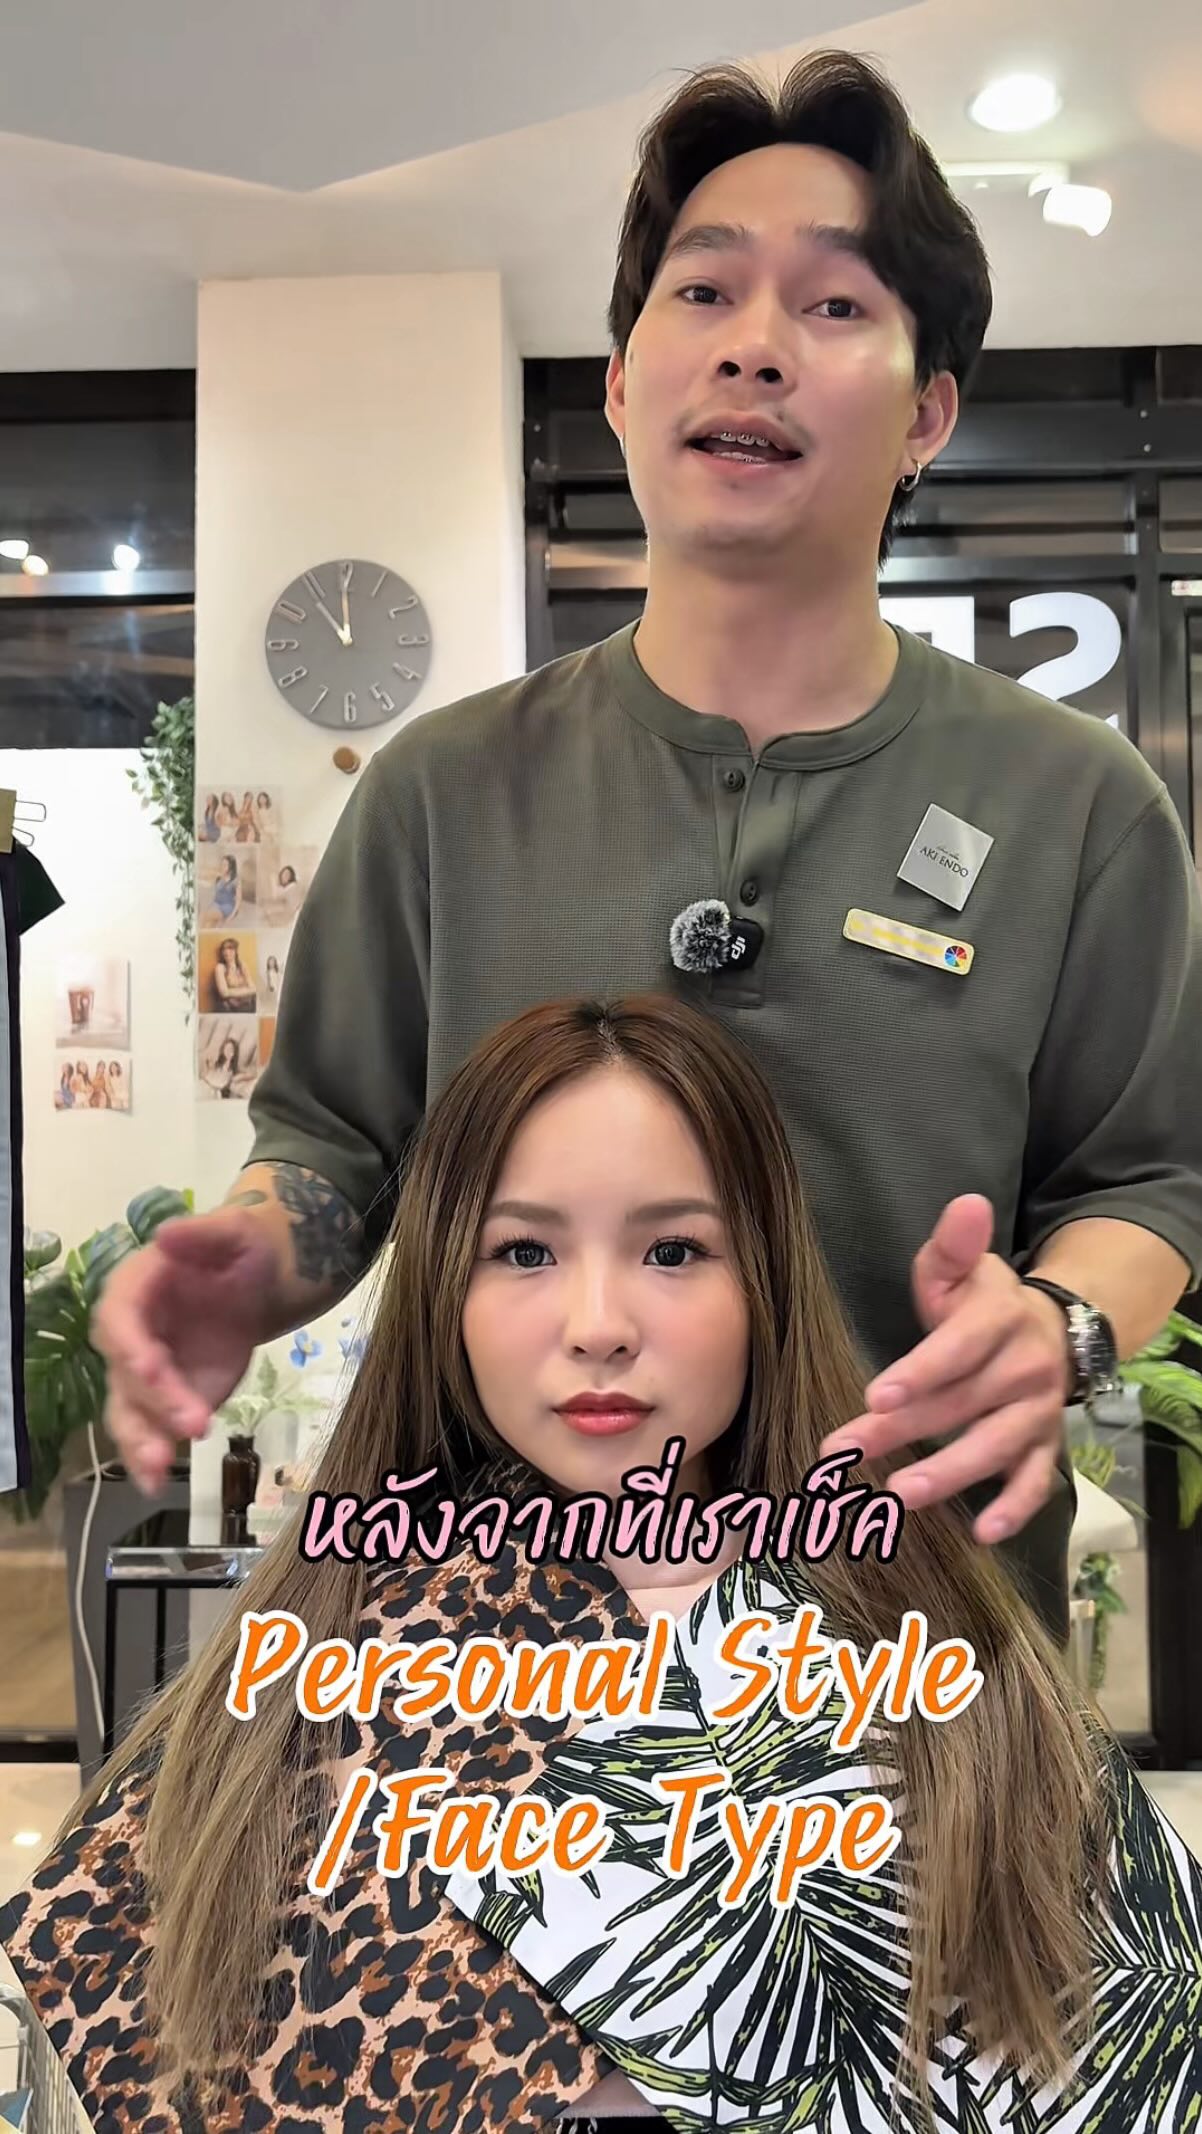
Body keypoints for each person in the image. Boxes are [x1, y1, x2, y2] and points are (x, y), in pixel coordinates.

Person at [93, 52, 1202, 1649]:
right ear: (619, 386)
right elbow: (332, 1144)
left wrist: (1062, 1324)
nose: (753, 345)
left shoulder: (1075, 800)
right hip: (493, 1659)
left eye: (833, 306)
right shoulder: (440, 790)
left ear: (927, 414)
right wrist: (251, 1259)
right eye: (702, 291)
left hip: (903, 1647)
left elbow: (1144, 1179)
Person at [6, 997, 1201, 2134]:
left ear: (763, 1279)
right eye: (522, 1250)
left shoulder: (930, 1654)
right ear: (444, 1288)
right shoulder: (314, 1662)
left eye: (673, 1250)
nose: (596, 1324)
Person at [210, 938, 255, 1014]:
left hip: (248, 1005)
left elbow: (253, 988)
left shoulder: (242, 965)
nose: (226, 952)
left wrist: (231, 992)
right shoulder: (220, 967)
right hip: (232, 1009)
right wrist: (247, 990)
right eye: (224, 949)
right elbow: (224, 993)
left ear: (236, 951)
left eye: (230, 948)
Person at [203, 854, 241, 928]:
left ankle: (219, 922)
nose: (222, 867)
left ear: (231, 866)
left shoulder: (236, 880)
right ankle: (216, 928)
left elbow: (238, 900)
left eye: (225, 865)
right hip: (216, 904)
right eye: (222, 864)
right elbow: (207, 881)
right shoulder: (219, 877)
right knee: (208, 925)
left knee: (204, 915)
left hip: (227, 907)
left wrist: (231, 916)